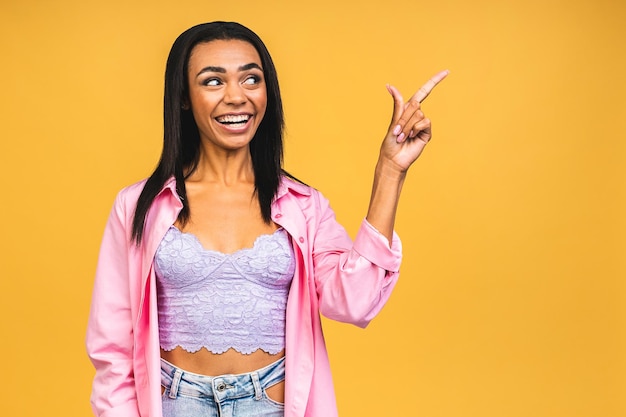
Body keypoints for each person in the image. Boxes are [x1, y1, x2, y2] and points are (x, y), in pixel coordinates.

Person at [86, 21, 447, 417]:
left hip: (271, 404)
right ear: (184, 97)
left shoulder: (302, 206)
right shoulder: (140, 205)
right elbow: (113, 348)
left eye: (251, 79)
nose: (236, 97)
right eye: (213, 81)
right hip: (174, 404)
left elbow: (354, 303)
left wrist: (390, 172)